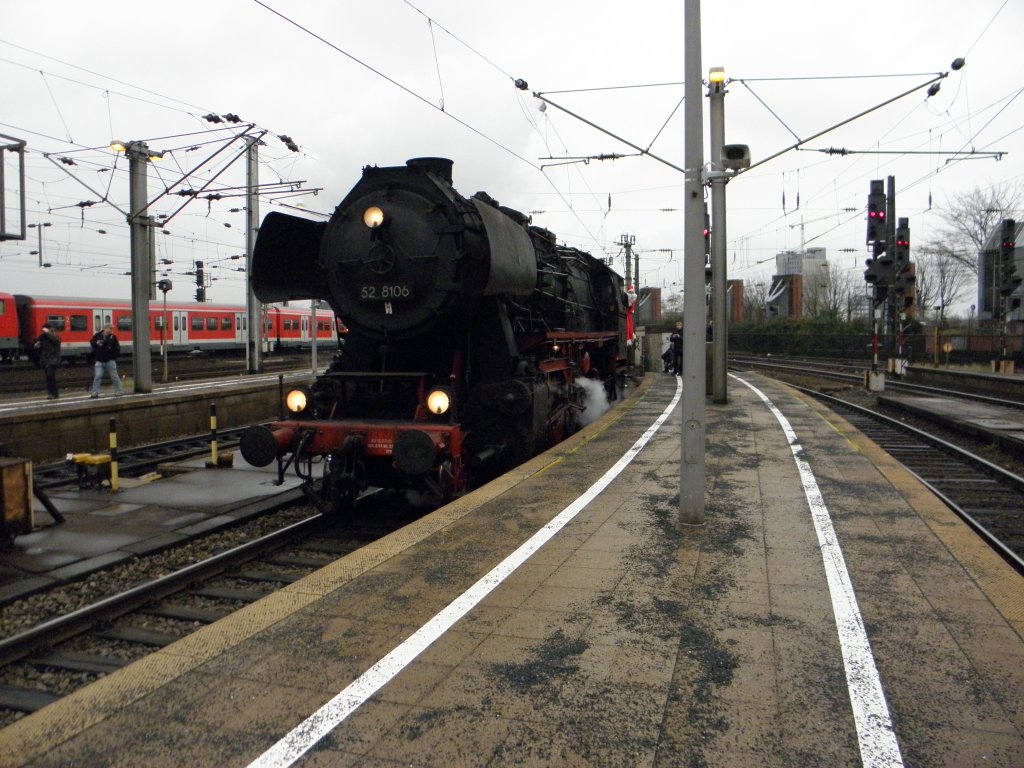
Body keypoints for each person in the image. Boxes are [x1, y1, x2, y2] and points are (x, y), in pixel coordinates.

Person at [89, 324, 124, 398]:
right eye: (110, 328)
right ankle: (95, 392)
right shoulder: (97, 335)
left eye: (112, 329)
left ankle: (119, 390)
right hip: (99, 360)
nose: (111, 330)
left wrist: (114, 356)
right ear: (105, 328)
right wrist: (96, 343)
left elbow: (117, 348)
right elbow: (92, 342)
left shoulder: (113, 337)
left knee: (114, 376)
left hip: (110, 360)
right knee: (98, 376)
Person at [34, 324, 62, 399]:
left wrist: (48, 333)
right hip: (46, 360)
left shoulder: (54, 335)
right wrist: (37, 345)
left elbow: (56, 340)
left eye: (45, 329)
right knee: (49, 377)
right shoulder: (42, 337)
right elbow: (39, 344)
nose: (43, 331)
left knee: (50, 376)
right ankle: (54, 394)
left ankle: (52, 394)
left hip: (53, 359)